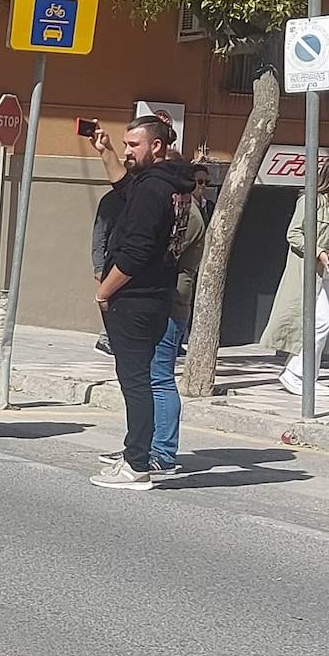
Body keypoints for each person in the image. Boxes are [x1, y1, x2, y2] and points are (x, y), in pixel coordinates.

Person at [87, 118, 197, 490]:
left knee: (136, 383)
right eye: (126, 144)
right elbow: (123, 187)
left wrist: (105, 291)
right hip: (155, 297)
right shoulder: (167, 184)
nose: (128, 151)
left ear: (158, 147)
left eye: (134, 145)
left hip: (135, 300)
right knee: (144, 380)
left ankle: (137, 464)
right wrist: (106, 152)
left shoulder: (153, 190)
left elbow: (135, 253)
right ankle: (137, 454)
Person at [262, 155, 329, 398]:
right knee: (311, 322)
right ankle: (295, 373)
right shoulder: (311, 200)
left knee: (324, 323)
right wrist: (319, 252)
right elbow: (294, 233)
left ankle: (306, 375)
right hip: (310, 269)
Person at [91, 185, 125, 358]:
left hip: (128, 262)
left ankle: (112, 338)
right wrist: (98, 266)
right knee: (110, 300)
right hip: (111, 262)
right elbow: (99, 234)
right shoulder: (111, 200)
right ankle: (106, 339)